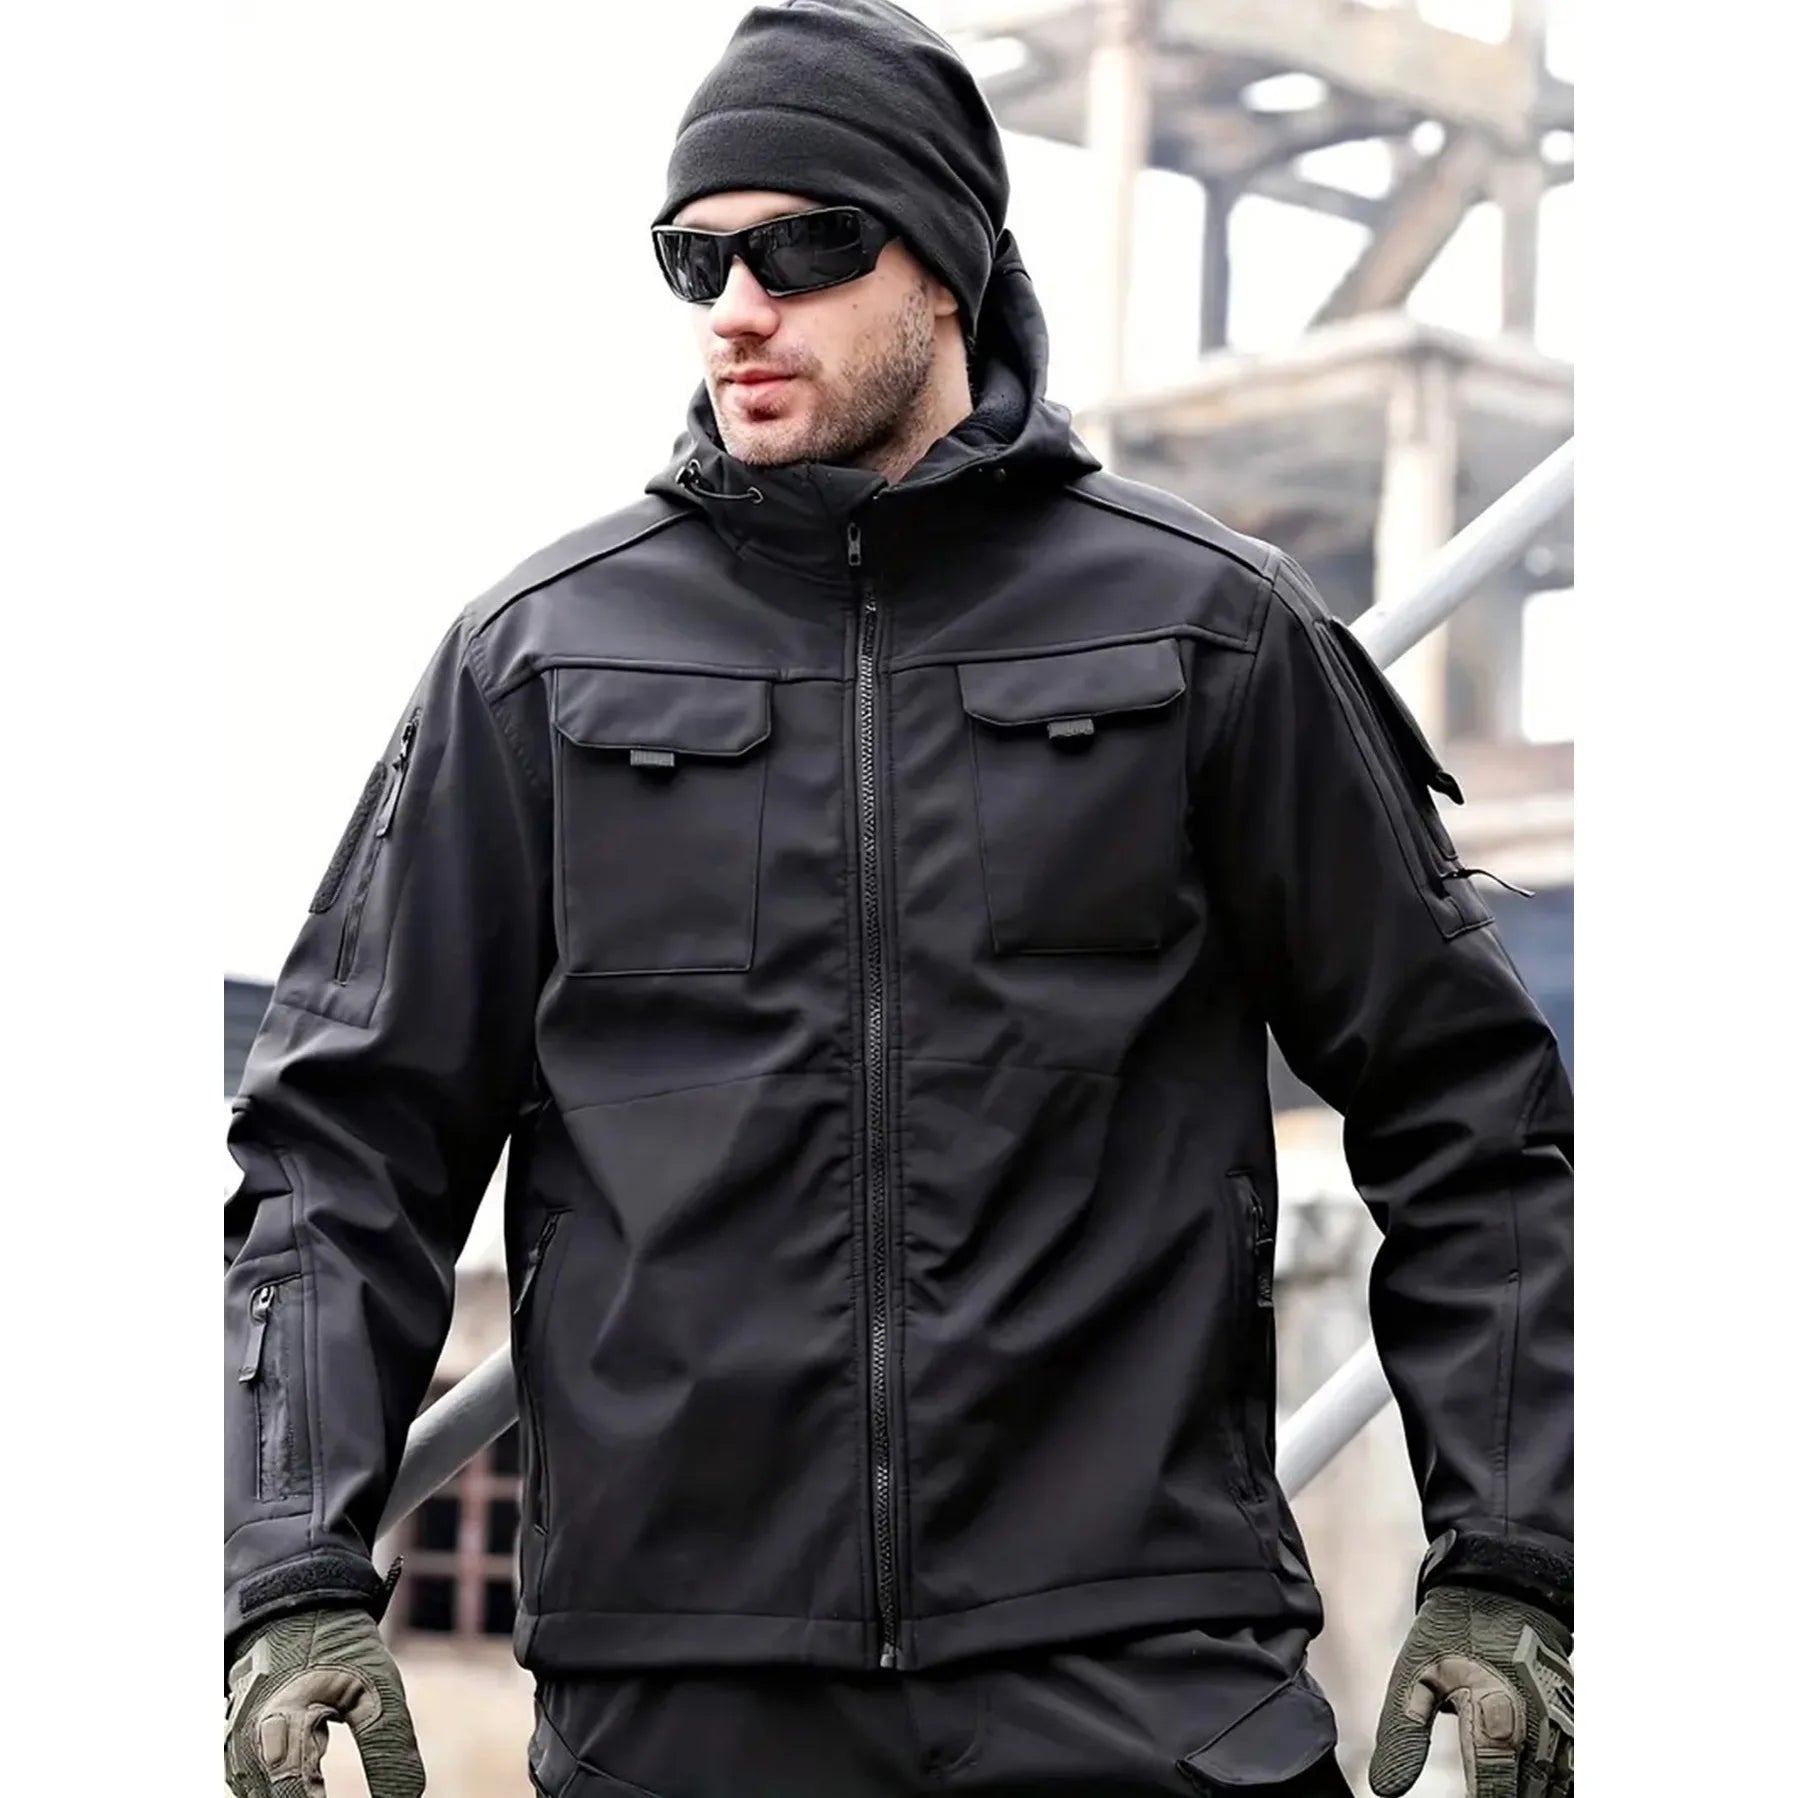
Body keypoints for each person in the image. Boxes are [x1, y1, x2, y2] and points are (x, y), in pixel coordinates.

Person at [222, 4, 1574, 1795]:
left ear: (943, 266)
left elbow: (1469, 1102)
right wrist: (291, 1576)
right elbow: (339, 1144)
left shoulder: (1207, 632)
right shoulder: (538, 664)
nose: (737, 304)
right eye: (694, 257)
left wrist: (1509, 1557)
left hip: (1143, 1673)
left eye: (803, 247)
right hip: (683, 1694)